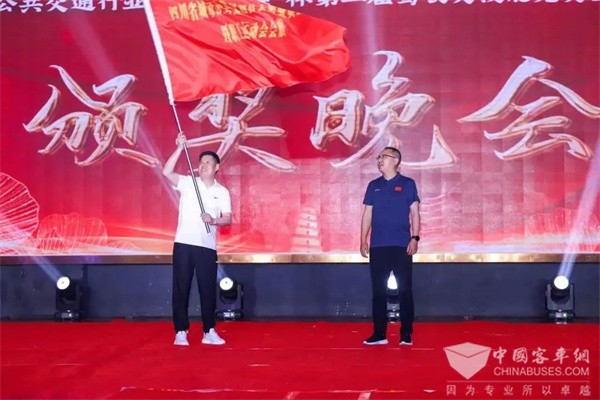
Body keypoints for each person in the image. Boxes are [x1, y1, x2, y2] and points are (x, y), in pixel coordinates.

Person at [163, 133, 232, 346]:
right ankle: (180, 331)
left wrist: (213, 219)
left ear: (217, 167)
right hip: (184, 243)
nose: (203, 165)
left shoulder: (222, 191)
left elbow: (227, 218)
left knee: (207, 288)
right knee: (181, 288)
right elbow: (167, 172)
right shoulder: (188, 183)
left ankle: (209, 330)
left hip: (206, 246)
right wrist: (179, 147)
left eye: (208, 162)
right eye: (201, 162)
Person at [360, 147, 420, 346]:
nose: (379, 160)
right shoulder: (373, 186)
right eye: (378, 157)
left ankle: (406, 334)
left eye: (383, 157)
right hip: (378, 246)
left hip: (402, 245)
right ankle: (379, 334)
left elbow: (415, 212)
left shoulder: (408, 184)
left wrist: (415, 238)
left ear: (395, 160)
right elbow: (367, 214)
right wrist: (363, 239)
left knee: (405, 291)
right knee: (378, 292)